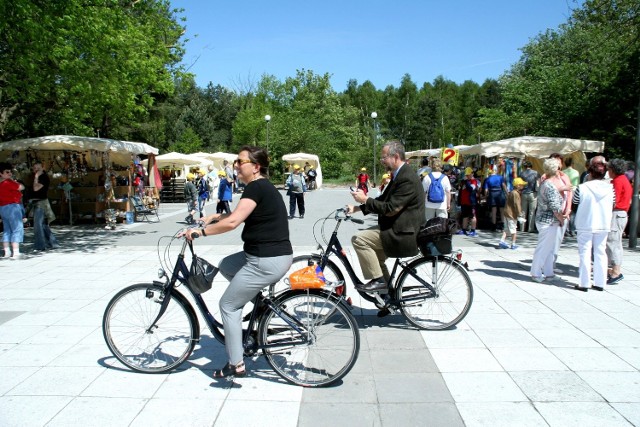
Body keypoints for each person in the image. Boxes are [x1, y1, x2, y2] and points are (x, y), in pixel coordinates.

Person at [182, 145, 292, 379]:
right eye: (236, 162)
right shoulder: (261, 187)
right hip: (267, 256)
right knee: (226, 265)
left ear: (256, 167)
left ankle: (236, 364)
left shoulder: (256, 188)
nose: (236, 166)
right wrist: (214, 217)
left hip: (266, 260)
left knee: (228, 305)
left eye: (240, 162)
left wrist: (200, 233)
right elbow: (237, 216)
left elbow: (233, 223)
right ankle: (260, 305)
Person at [347, 140, 425, 293]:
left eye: (384, 158)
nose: (382, 161)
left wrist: (365, 199)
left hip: (403, 233)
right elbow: (383, 200)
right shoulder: (399, 174)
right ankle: (388, 295)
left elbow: (391, 209)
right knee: (376, 258)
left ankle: (378, 281)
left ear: (395, 157)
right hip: (397, 228)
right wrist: (357, 208)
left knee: (359, 239)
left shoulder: (406, 178)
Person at [573, 158, 613, 292]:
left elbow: (575, 203)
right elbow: (613, 204)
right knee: (601, 252)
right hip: (603, 222)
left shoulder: (582, 187)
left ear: (590, 172)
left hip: (585, 222)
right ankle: (600, 282)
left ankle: (584, 283)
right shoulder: (610, 188)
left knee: (585, 252)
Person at [530, 159, 565, 282]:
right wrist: (561, 219)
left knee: (549, 248)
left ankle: (549, 272)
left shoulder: (546, 183)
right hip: (548, 221)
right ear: (555, 170)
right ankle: (535, 273)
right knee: (544, 248)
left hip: (547, 220)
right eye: (558, 168)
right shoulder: (550, 185)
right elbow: (555, 207)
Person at [606, 158, 632, 285]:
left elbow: (613, 199)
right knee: (616, 242)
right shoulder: (624, 180)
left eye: (609, 169)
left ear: (613, 170)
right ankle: (614, 269)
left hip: (616, 213)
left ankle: (616, 271)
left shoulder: (617, 181)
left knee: (613, 242)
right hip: (621, 214)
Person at [29, 162, 59, 251]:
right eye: (35, 168)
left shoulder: (43, 177)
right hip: (37, 202)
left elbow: (36, 188)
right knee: (43, 225)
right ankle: (53, 243)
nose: (36, 170)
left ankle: (40, 245)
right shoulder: (38, 177)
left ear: (42, 168)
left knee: (38, 225)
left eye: (38, 168)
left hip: (41, 203)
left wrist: (36, 177)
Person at [0, 163, 26, 259]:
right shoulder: (8, 182)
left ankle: (7, 252)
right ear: (1, 174)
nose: (10, 173)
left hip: (2, 208)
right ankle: (16, 252)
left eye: (10, 171)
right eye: (7, 172)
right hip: (13, 207)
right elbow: (21, 187)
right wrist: (17, 183)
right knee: (17, 229)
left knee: (7, 230)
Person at [498, 177, 526, 249]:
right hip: (511, 215)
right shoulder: (516, 194)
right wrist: (520, 215)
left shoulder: (511, 192)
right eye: (522, 184)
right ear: (518, 185)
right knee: (514, 229)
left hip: (506, 213)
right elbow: (516, 205)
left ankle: (502, 241)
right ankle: (513, 244)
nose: (523, 186)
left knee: (506, 229)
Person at [482, 165, 507, 231]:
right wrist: (507, 193)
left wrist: (485, 196)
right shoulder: (500, 177)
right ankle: (503, 225)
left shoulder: (488, 179)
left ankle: (493, 226)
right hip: (500, 193)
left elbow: (486, 190)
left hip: (492, 193)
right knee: (502, 209)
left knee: (494, 210)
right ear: (496, 171)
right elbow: (503, 186)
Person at [457, 167, 479, 237]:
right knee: (464, 216)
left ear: (472, 174)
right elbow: (461, 191)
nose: (467, 176)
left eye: (468, 174)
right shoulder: (463, 181)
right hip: (464, 202)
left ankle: (473, 230)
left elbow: (471, 189)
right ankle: (464, 229)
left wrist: (467, 182)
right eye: (466, 175)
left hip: (471, 202)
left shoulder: (474, 181)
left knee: (472, 216)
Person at [519, 160, 540, 233]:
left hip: (524, 193)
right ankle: (530, 228)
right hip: (533, 194)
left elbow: (520, 185)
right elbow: (538, 183)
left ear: (525, 167)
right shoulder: (536, 173)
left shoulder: (521, 173)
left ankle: (522, 228)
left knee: (523, 211)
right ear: (531, 166)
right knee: (532, 212)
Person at [563, 157, 580, 236]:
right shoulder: (576, 172)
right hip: (573, 191)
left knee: (566, 209)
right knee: (573, 211)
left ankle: (565, 228)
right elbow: (577, 184)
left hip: (565, 191)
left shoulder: (563, 172)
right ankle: (572, 229)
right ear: (572, 164)